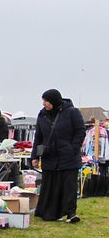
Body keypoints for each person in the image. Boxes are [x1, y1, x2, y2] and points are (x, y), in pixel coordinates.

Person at [32, 88, 83, 223]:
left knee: (69, 186)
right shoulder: (42, 115)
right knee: (51, 186)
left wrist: (73, 148)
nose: (44, 103)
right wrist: (35, 156)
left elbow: (80, 131)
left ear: (54, 101)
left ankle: (71, 213)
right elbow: (38, 137)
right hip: (50, 157)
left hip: (69, 157)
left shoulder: (72, 112)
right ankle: (53, 213)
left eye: (46, 101)